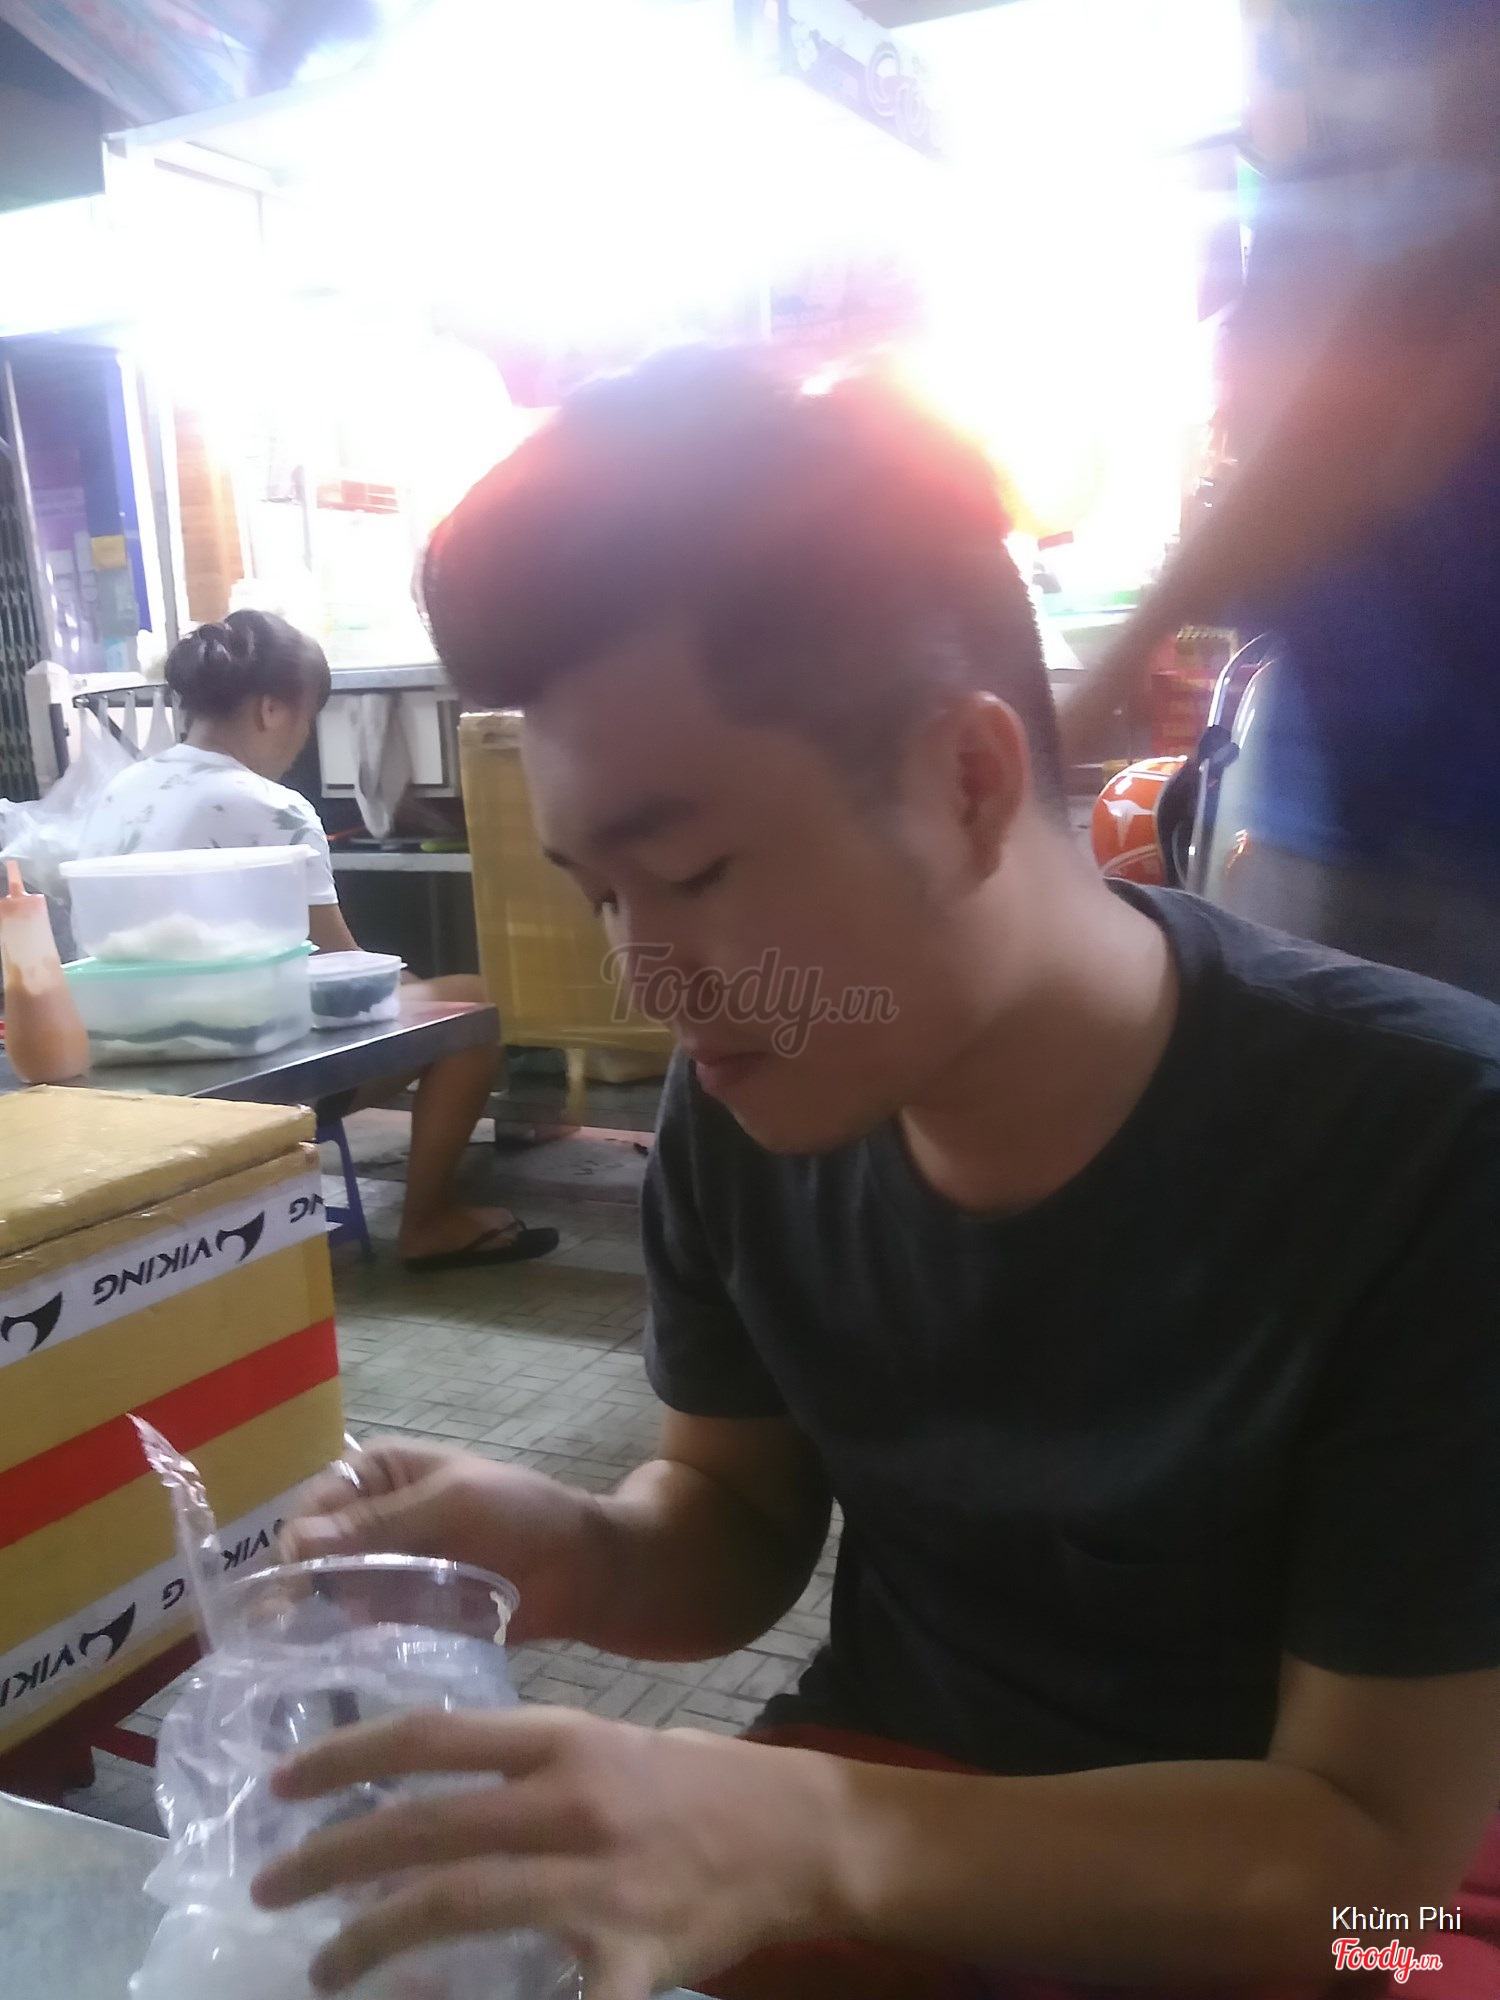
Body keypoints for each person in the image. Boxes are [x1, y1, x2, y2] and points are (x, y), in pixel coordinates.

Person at [255, 353, 1500, 2000]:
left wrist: (811, 1833)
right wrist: (573, 1545)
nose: (649, 978)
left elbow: (1373, 1876)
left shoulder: (1434, 1151)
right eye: (605, 894)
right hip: (900, 1793)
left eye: (692, 870)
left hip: (1330, 1874)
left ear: (969, 783)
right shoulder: (753, 1095)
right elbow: (739, 1516)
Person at [1059, 1, 1500, 998]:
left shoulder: (1426, 193)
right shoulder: (1364, 187)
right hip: (1339, 796)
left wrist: (1097, 689)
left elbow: (1328, 459)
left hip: (1430, 836)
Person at [77, 610, 557, 1271]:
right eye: (307, 719)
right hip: (240, 1080)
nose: (302, 740)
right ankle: (429, 1223)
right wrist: (432, 997)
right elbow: (346, 969)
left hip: (117, 1066)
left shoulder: (122, 790)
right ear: (272, 709)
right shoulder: (272, 806)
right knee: (471, 1009)